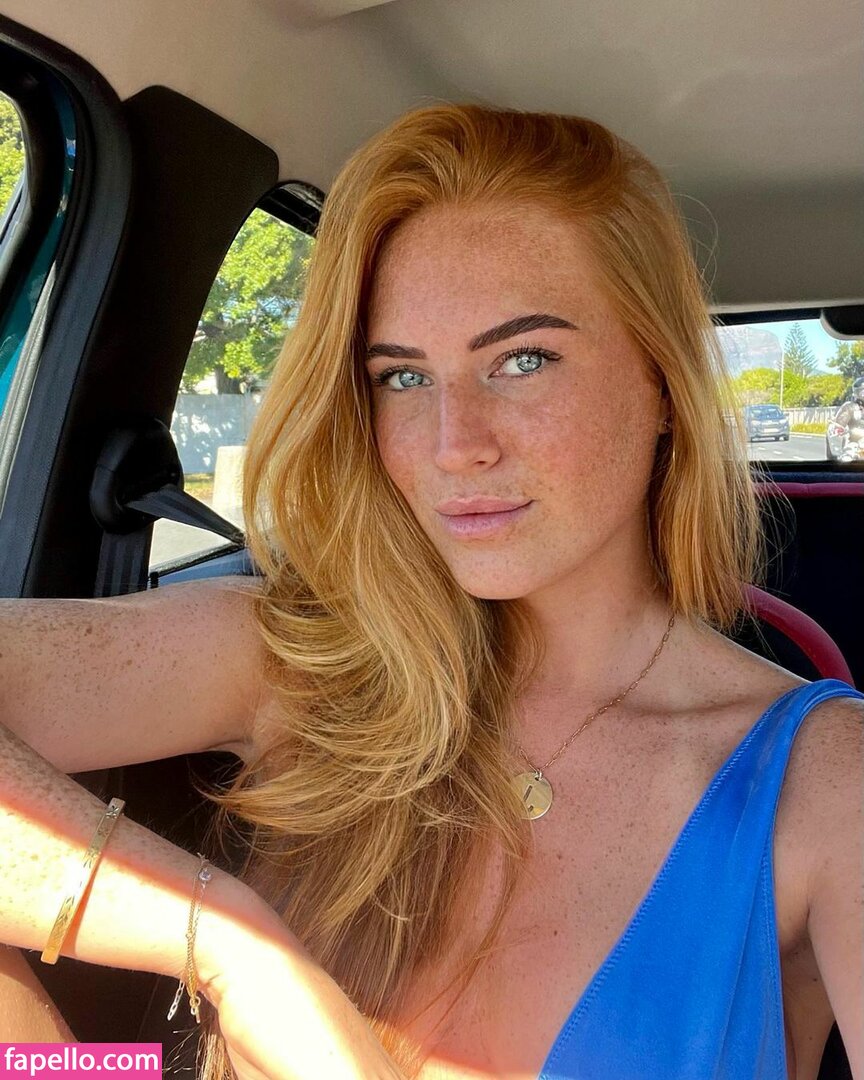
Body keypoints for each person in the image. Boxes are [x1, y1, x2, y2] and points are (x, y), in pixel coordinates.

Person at [0, 103, 862, 1080]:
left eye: (523, 360)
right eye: (403, 378)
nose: (455, 445)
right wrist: (223, 940)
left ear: (663, 381)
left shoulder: (829, 784)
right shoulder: (301, 658)